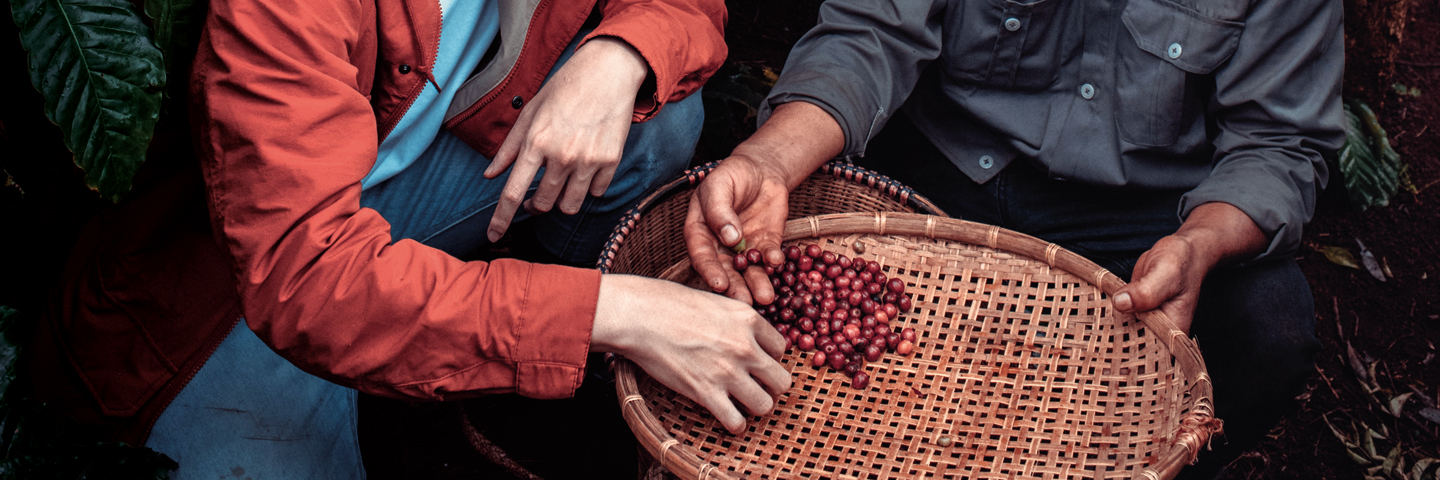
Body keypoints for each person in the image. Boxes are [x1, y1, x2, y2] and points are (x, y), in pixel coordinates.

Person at [24, 0, 790, 476]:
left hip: (410, 174)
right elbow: (308, 280)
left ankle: (548, 362)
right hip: (239, 279)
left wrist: (619, 54)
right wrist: (609, 311)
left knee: (655, 125)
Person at [685, 0, 1342, 477]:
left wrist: (1199, 242)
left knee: (1268, 327)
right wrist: (771, 160)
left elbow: (1278, 141)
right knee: (776, 275)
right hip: (940, 162)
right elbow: (872, 31)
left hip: (1142, 214)